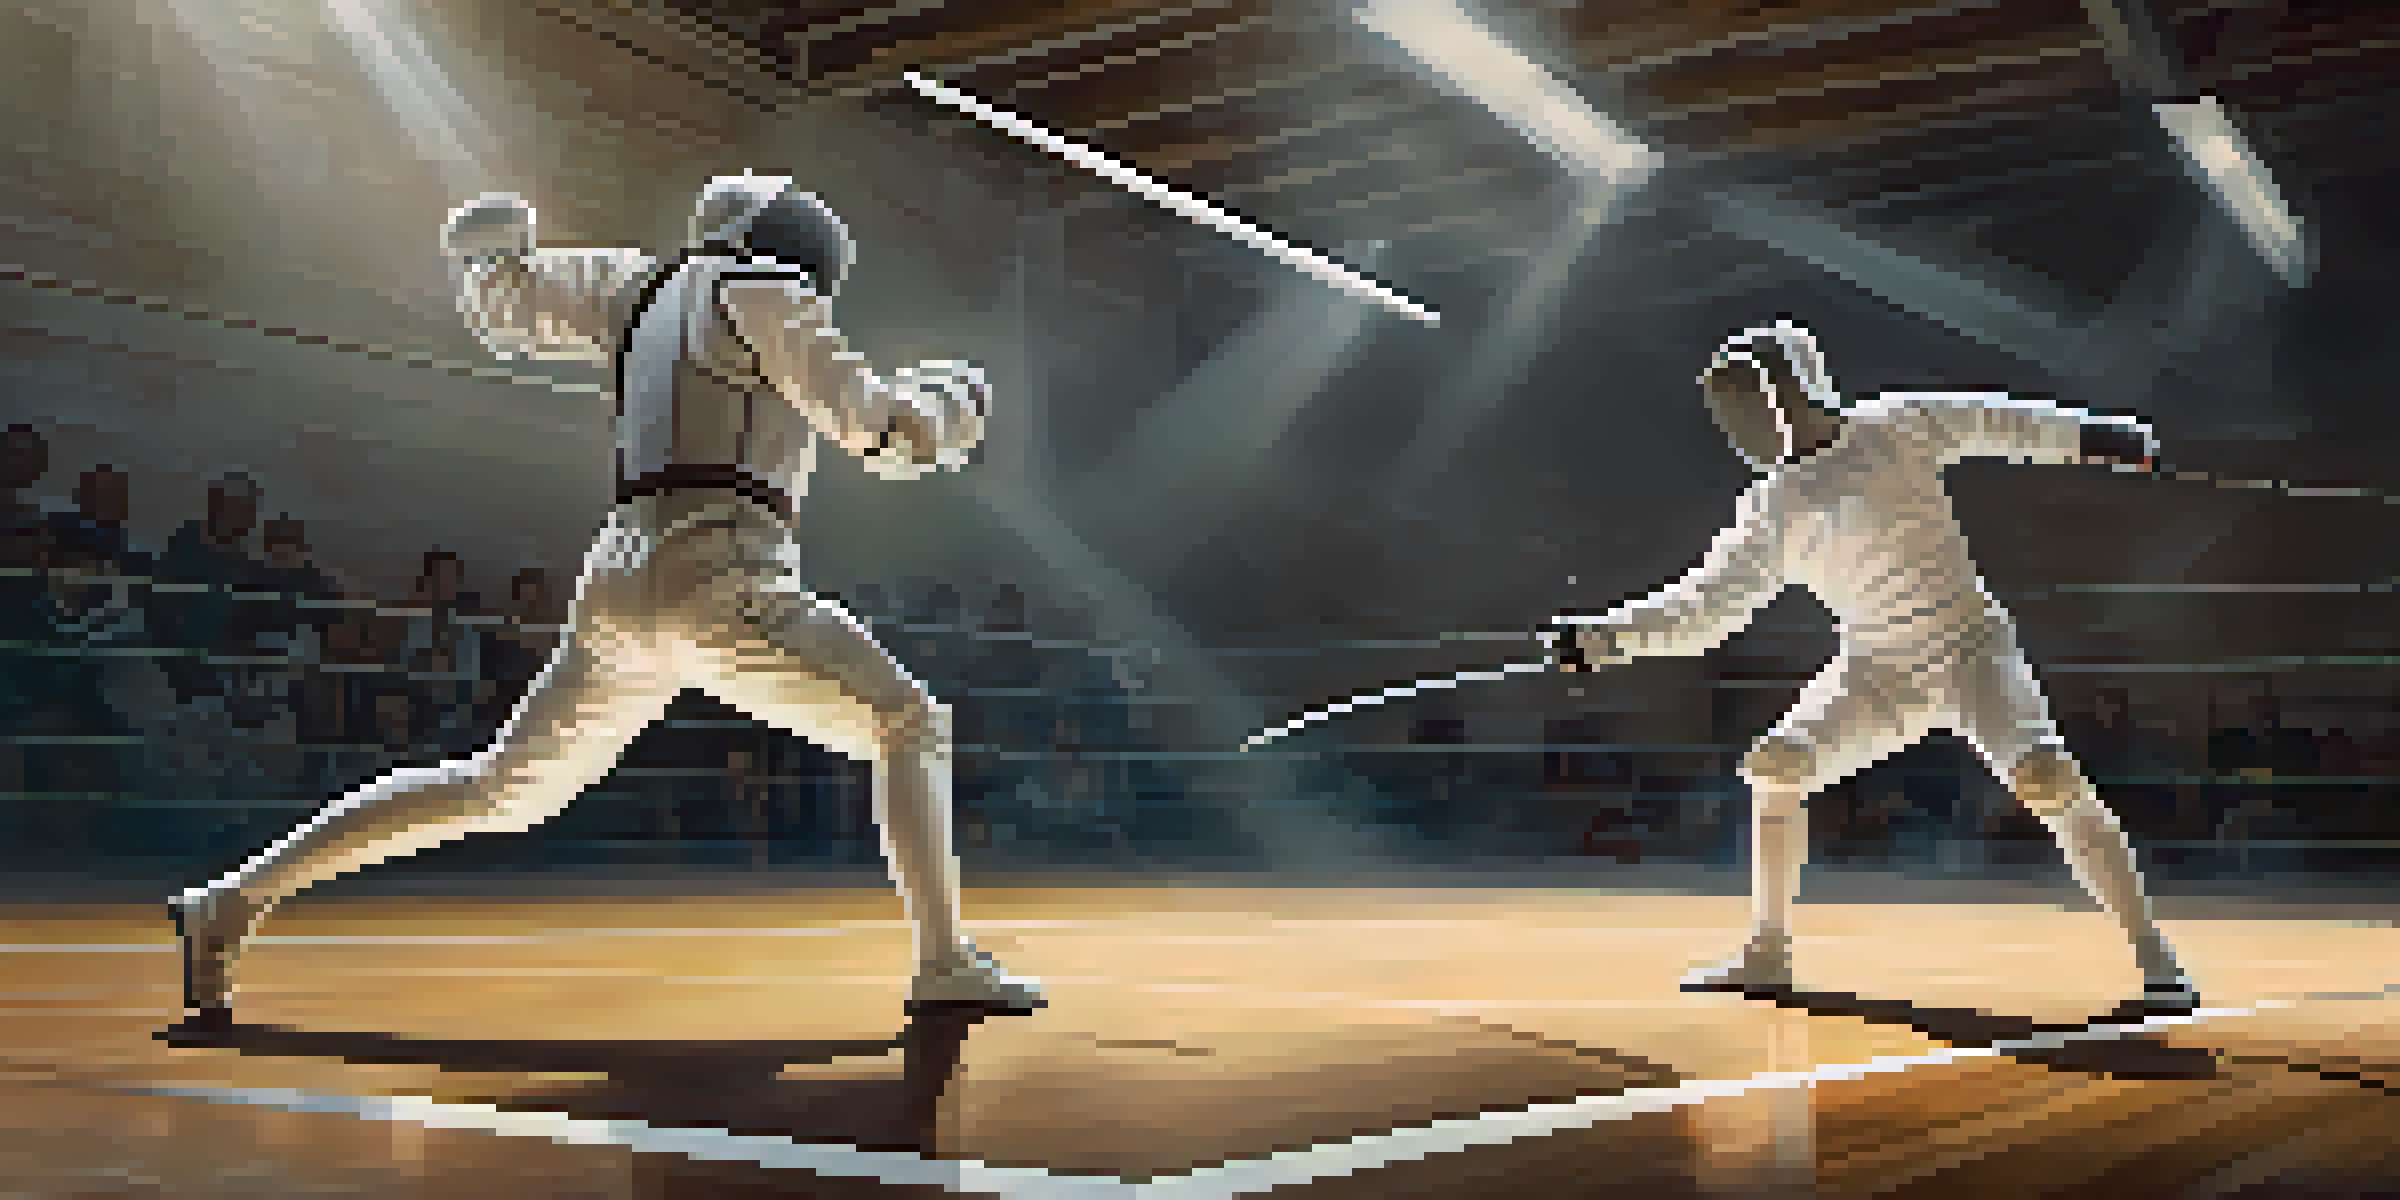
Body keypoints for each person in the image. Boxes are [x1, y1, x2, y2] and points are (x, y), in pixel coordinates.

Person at [168, 174, 1040, 1031]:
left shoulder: (638, 285)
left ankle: (231, 899)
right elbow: (881, 433)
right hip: (725, 572)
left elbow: (501, 308)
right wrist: (951, 406)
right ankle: (945, 963)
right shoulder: (768, 291)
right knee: (908, 724)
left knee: (501, 787)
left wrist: (488, 253)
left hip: (619, 583)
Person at [1540, 319, 2195, 1016]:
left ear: (1795, 387)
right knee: (1777, 767)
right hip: (1878, 671)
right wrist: (1606, 638)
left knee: (2045, 776)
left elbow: (2000, 423)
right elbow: (1707, 609)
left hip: (1971, 652)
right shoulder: (1772, 507)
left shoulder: (1894, 428)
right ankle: (1766, 953)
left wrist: (2097, 438)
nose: (1742, 422)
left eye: (1749, 397)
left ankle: (2157, 961)